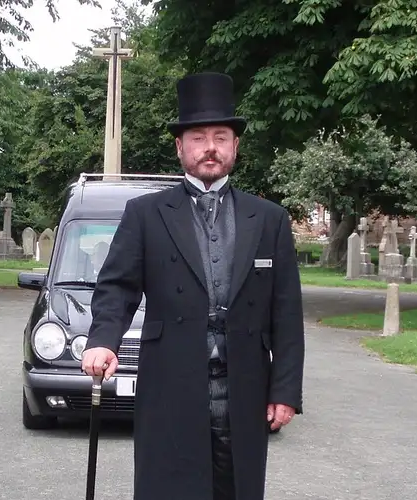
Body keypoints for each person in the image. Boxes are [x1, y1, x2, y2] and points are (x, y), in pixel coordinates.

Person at [81, 72, 306, 500]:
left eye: (221, 137)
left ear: (235, 146)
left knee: (235, 489)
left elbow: (286, 311)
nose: (210, 147)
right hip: (170, 381)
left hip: (243, 385)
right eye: (198, 137)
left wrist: (285, 390)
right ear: (180, 146)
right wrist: (102, 339)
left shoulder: (270, 219)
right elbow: (117, 287)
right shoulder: (145, 213)